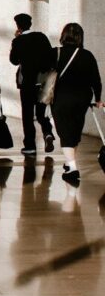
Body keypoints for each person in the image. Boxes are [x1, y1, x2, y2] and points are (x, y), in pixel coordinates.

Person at [50, 22, 103, 186]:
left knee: (65, 133)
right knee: (73, 132)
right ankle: (69, 162)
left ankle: (72, 168)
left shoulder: (55, 53)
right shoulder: (87, 55)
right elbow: (96, 80)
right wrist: (98, 99)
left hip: (60, 98)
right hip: (82, 100)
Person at [9, 13, 56, 156]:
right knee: (41, 113)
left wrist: (15, 40)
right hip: (42, 81)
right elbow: (50, 56)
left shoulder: (18, 41)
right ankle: (48, 133)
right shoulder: (41, 37)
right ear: (30, 24)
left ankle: (30, 146)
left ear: (18, 26)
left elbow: (14, 61)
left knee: (27, 115)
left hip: (27, 83)